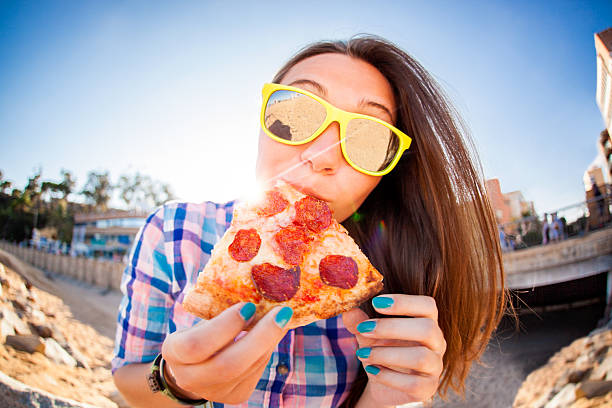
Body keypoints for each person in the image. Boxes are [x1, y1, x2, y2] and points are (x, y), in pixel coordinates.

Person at [111, 35, 507, 407]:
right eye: (296, 112)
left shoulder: (396, 278)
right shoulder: (174, 232)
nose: (322, 155)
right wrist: (175, 384)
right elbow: (127, 381)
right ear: (262, 122)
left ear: (386, 174)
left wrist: (384, 399)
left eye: (368, 140)